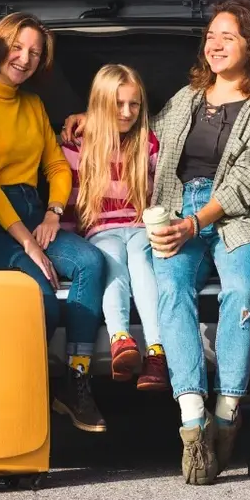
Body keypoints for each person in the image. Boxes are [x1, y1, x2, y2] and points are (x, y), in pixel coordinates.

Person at [62, 0, 250, 485]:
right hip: (175, 209)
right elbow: (139, 129)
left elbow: (249, 184)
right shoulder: (188, 98)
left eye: (227, 36)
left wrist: (196, 222)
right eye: (210, 36)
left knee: (241, 291)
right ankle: (193, 424)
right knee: (171, 290)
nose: (215, 44)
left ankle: (228, 411)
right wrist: (90, 117)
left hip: (239, 219)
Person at [0, 11, 109, 433]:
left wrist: (53, 213)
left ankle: (75, 382)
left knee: (91, 263)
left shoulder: (34, 104)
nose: (24, 58)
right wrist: (28, 243)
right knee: (39, 298)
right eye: (18, 47)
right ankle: (22, 396)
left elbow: (57, 167)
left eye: (35, 53)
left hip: (33, 210)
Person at [59, 64, 168, 393]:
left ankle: (156, 351)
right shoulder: (78, 146)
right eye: (117, 104)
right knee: (110, 258)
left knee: (139, 256)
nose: (126, 112)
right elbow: (71, 200)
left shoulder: (147, 143)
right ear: (100, 104)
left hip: (139, 224)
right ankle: (121, 338)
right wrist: (65, 241)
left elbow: (163, 191)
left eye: (134, 104)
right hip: (100, 229)